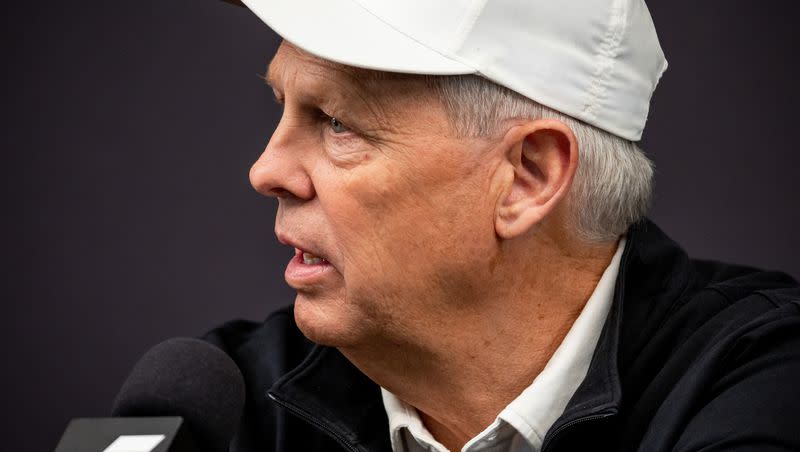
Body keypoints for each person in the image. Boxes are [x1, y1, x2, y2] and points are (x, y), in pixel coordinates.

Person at [204, 0, 800, 451]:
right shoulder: (227, 399)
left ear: (527, 177)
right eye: (282, 106)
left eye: (336, 122)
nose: (267, 170)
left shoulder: (763, 383)